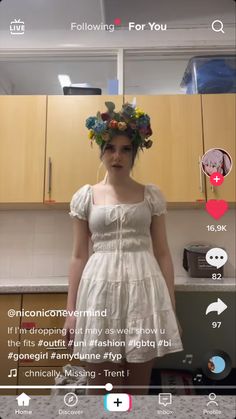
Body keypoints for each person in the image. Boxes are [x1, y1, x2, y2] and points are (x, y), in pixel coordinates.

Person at [64, 102, 183, 395]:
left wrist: (170, 306)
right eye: (110, 148)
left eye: (126, 149)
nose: (117, 156)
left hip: (144, 294)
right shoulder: (85, 196)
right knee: (101, 389)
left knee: (135, 390)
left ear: (135, 152)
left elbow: (164, 253)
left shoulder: (150, 195)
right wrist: (71, 311)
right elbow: (79, 255)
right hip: (99, 293)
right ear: (101, 151)